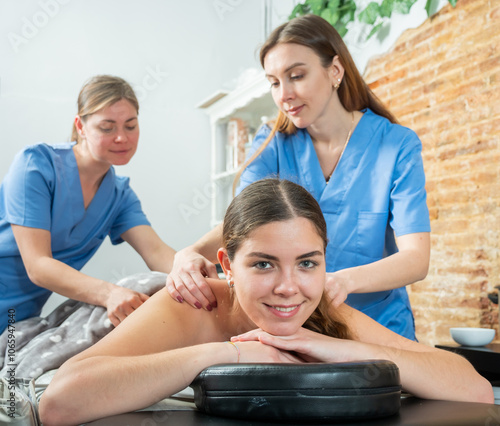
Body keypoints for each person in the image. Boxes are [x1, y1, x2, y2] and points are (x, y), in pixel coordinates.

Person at [39, 179, 492, 426]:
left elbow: (472, 390)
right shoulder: (191, 304)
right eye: (263, 264)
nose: (289, 287)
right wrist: (227, 353)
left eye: (308, 263)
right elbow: (58, 403)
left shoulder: (324, 314)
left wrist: (343, 348)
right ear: (227, 265)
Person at [165, 14, 431, 340]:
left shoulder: (396, 145)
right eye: (275, 82)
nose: (284, 95)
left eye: (296, 76)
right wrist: (189, 252)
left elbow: (416, 259)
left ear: (335, 71)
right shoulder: (272, 143)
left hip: (379, 332)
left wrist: (340, 282)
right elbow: (241, 225)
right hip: (292, 332)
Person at [0, 75, 176, 333]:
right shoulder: (35, 166)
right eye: (107, 127)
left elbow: (157, 252)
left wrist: (196, 275)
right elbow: (38, 265)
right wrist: (109, 293)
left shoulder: (119, 195)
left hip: (16, 323)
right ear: (80, 127)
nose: (121, 138)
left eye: (130, 125)